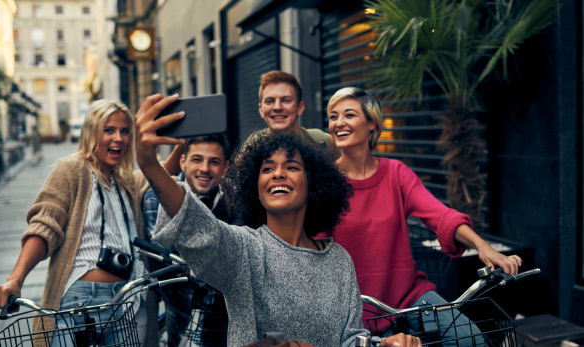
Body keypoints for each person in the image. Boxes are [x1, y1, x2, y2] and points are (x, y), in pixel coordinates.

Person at [133, 93, 420, 347]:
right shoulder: (244, 249)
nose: (277, 173)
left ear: (314, 184)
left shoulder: (339, 260)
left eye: (292, 167)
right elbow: (198, 226)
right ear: (255, 186)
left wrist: (386, 344)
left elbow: (349, 338)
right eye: (267, 168)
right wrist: (149, 164)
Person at [324, 87, 522, 344]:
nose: (338, 123)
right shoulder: (326, 180)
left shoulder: (396, 173)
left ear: (371, 123)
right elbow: (315, 249)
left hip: (409, 296)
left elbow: (438, 214)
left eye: (349, 115)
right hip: (354, 308)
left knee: (472, 340)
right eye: (332, 116)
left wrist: (483, 247)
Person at [0, 100, 180, 346]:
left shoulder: (127, 183)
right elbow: (45, 225)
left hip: (126, 302)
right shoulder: (72, 171)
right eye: (108, 130)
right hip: (80, 302)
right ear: (91, 132)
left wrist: (183, 142)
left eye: (124, 131)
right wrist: (16, 279)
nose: (118, 138)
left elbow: (161, 173)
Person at [143, 134, 232, 346]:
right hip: (180, 322)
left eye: (214, 162)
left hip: (225, 328)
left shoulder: (234, 198)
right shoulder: (156, 199)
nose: (204, 168)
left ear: (225, 168)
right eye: (196, 160)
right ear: (182, 162)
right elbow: (170, 252)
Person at [245, 70, 340, 157]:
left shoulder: (323, 142)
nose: (277, 107)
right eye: (270, 101)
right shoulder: (252, 148)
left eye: (286, 100)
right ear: (261, 110)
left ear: (300, 107)